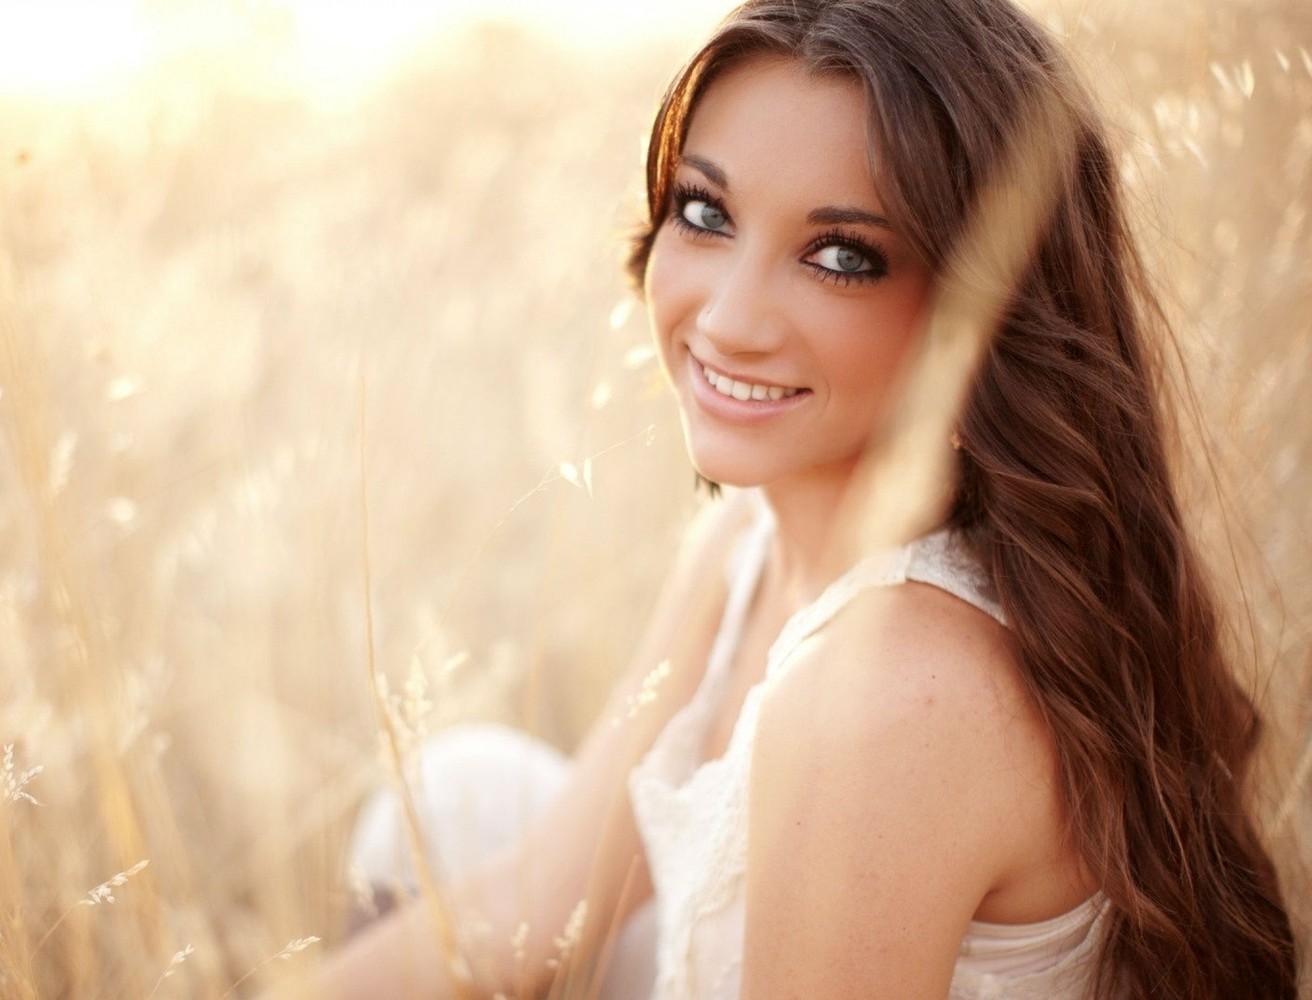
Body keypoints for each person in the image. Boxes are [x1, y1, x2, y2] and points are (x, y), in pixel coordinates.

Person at [291, 0, 1301, 996]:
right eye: (705, 211)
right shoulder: (746, 540)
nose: (727, 321)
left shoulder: (885, 695)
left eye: (841, 257)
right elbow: (537, 908)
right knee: (462, 799)